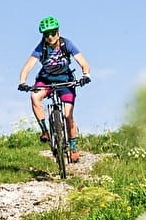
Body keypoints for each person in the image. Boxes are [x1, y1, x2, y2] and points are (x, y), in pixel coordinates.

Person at [16, 16, 92, 161]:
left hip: (66, 81)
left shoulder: (67, 44)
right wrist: (22, 82)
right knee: (34, 97)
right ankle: (45, 131)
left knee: (67, 115)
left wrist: (85, 75)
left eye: (52, 33)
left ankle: (73, 148)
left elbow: (83, 62)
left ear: (58, 31)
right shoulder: (41, 48)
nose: (50, 37)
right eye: (46, 34)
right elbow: (27, 67)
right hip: (45, 81)